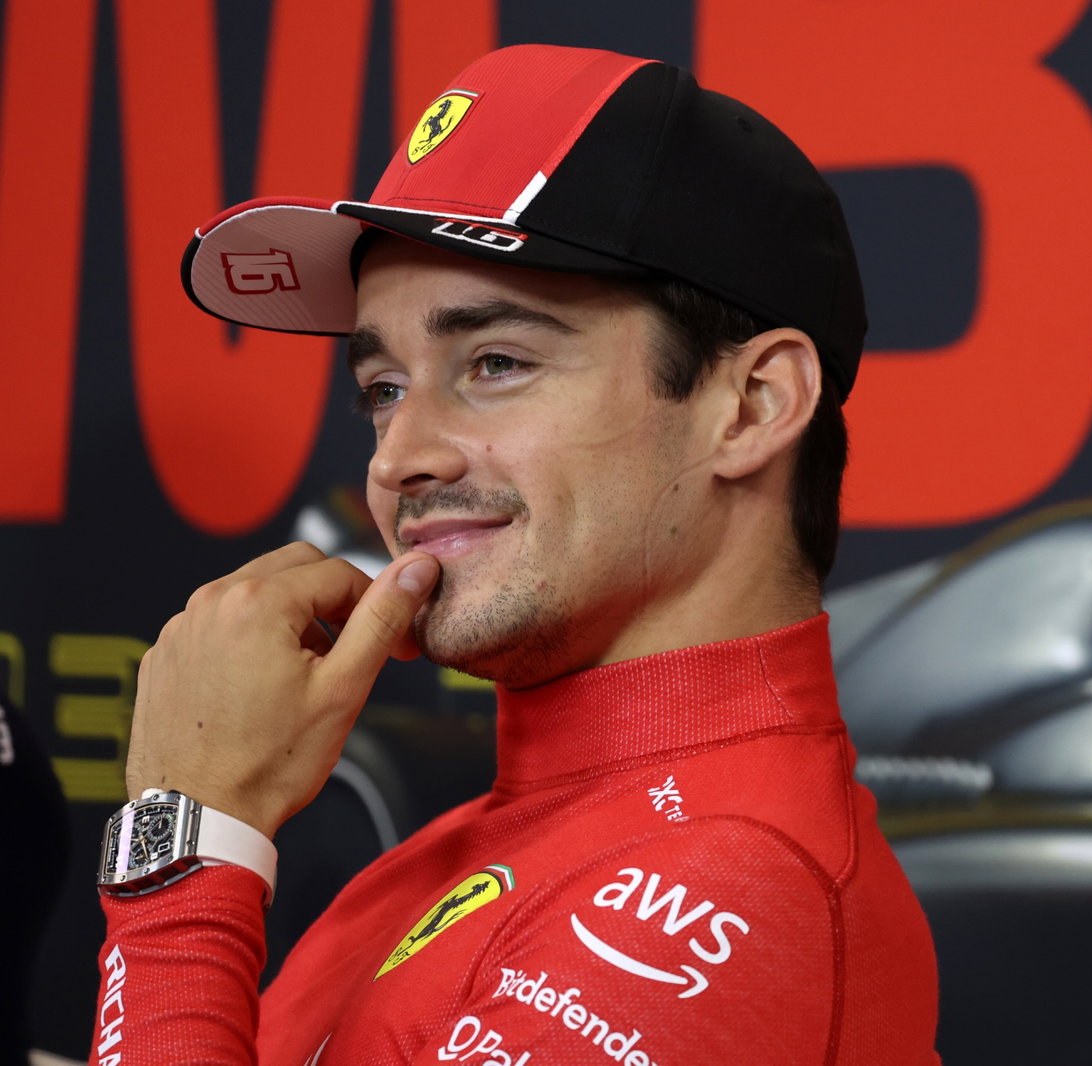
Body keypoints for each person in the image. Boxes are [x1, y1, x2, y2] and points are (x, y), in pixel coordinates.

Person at [92, 44, 940, 1065]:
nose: (399, 458)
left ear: (752, 406)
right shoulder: (513, 839)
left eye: (496, 363)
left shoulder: (723, 891)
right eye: (384, 389)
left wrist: (189, 847)